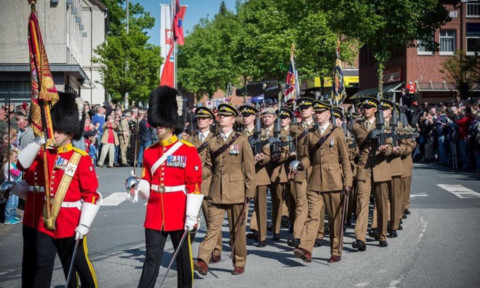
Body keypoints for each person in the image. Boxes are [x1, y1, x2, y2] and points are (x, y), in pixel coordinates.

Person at [16, 92, 101, 288]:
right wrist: (38, 141)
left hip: (71, 222)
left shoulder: (80, 157)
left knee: (80, 268)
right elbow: (22, 168)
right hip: (45, 222)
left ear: (71, 133)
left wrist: (84, 224)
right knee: (41, 267)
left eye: (59, 131)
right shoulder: (43, 154)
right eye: (54, 129)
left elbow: (92, 195)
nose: (54, 134)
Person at [125, 86, 203, 288]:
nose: (157, 128)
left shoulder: (187, 150)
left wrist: (192, 216)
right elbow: (147, 180)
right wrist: (136, 186)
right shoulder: (150, 152)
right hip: (154, 212)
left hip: (179, 210)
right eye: (156, 124)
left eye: (162, 125)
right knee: (151, 259)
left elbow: (194, 184)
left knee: (183, 260)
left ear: (172, 124)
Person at [194, 103, 255, 276]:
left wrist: (249, 193)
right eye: (220, 115)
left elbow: (249, 168)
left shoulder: (241, 139)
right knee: (213, 229)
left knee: (238, 231)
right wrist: (194, 175)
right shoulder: (212, 141)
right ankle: (202, 260)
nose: (221, 117)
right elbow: (208, 167)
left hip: (237, 192)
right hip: (215, 191)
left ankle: (239, 261)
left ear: (233, 119)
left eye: (225, 115)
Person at [293, 100, 352, 263]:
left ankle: (335, 251)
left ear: (328, 114)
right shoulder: (310, 134)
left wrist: (348, 181)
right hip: (314, 180)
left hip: (334, 180)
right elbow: (307, 157)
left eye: (320, 112)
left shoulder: (337, 133)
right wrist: (301, 165)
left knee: (335, 218)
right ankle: (305, 248)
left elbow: (345, 159)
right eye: (316, 112)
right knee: (313, 215)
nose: (317, 115)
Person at [351, 96, 392, 250]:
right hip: (364, 168)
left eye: (369, 107)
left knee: (381, 204)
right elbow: (362, 139)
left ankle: (382, 234)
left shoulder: (385, 125)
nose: (366, 109)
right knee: (362, 203)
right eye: (364, 107)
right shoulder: (357, 126)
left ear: (375, 109)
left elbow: (389, 145)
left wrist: (385, 149)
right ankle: (360, 239)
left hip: (380, 167)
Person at [187, 106, 223, 261]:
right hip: (192, 186)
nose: (200, 121)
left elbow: (216, 165)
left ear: (210, 121)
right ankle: (186, 250)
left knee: (211, 220)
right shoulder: (190, 140)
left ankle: (216, 250)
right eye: (198, 119)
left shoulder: (216, 140)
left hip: (208, 183)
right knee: (190, 219)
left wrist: (199, 174)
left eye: (203, 119)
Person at [3, 150, 22, 224]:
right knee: (11, 203)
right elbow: (17, 174)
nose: (17, 158)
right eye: (15, 157)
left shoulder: (12, 164)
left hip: (14, 186)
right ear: (10, 157)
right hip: (10, 186)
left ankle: (13, 215)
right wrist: (20, 168)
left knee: (15, 203)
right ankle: (8, 218)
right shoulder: (8, 165)